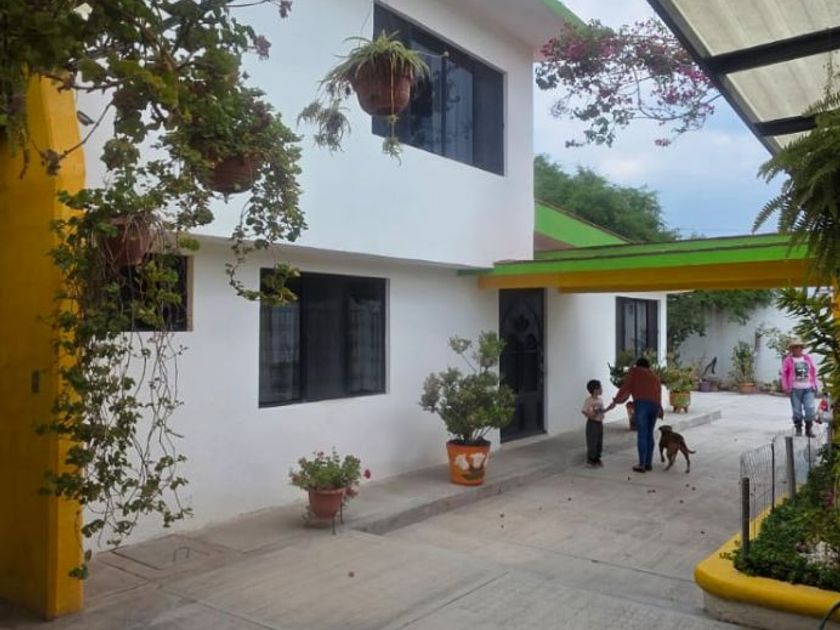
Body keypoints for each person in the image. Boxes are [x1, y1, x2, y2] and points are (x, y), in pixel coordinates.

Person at [607, 357, 662, 473]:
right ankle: (648, 463)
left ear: (637, 365)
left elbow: (625, 387)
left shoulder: (635, 372)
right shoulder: (654, 375)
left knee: (642, 434)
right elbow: (658, 391)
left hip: (642, 404)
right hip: (655, 405)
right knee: (649, 434)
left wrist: (616, 401)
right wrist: (660, 408)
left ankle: (641, 464)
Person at [781, 336, 819, 437]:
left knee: (810, 408)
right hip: (795, 389)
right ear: (791, 349)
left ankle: (808, 428)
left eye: (798, 347)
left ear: (802, 348)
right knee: (797, 411)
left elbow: (813, 371)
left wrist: (815, 385)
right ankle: (798, 428)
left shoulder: (807, 358)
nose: (797, 349)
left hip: (808, 388)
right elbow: (784, 374)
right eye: (794, 347)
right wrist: (785, 386)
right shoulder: (788, 360)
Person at [581, 379, 606, 468]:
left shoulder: (600, 400)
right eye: (600, 388)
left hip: (599, 423)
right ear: (595, 390)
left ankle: (597, 458)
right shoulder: (589, 400)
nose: (602, 389)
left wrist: (608, 409)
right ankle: (591, 460)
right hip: (592, 423)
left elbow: (602, 411)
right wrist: (590, 415)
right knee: (592, 441)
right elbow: (584, 411)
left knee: (599, 440)